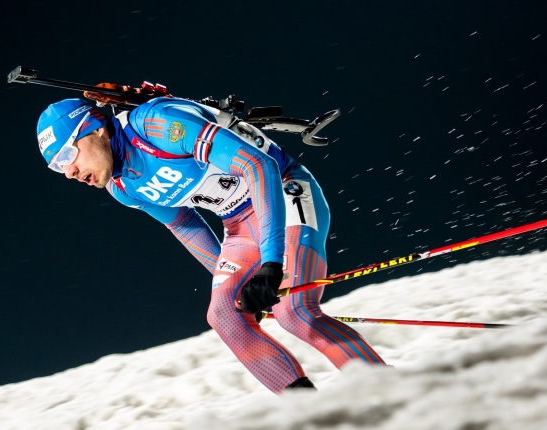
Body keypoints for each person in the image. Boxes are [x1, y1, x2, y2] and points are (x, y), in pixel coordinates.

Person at [36, 96, 386, 394]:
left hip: (281, 191)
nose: (68, 172)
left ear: (95, 129)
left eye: (68, 156)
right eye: (57, 167)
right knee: (225, 315)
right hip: (238, 224)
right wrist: (239, 280)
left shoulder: (155, 126)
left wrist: (270, 263)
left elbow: (258, 166)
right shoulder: (123, 186)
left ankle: (394, 395)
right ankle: (318, 417)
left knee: (294, 312)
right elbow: (185, 224)